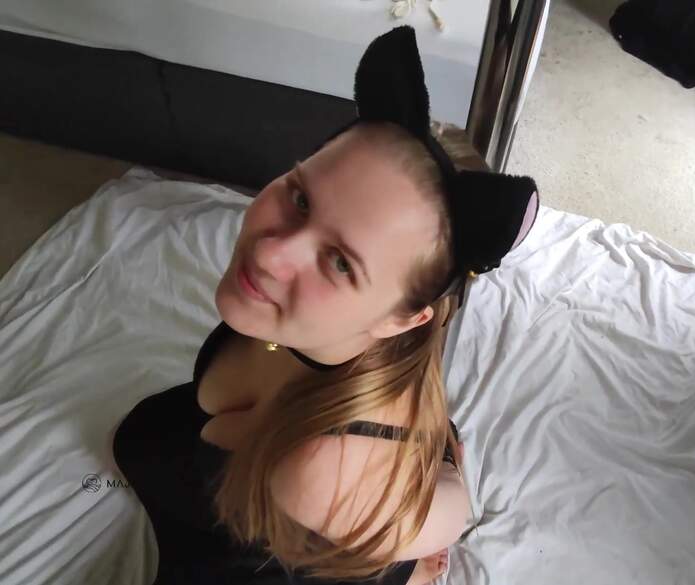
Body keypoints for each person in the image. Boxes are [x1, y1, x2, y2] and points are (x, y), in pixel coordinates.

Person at [112, 26, 539, 585]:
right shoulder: (303, 316)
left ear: (403, 318)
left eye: (340, 262)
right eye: (300, 197)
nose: (271, 253)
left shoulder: (328, 471)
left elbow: (450, 514)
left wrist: (417, 533)